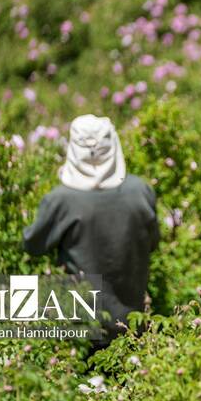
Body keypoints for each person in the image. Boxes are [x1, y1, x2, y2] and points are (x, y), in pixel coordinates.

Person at [22, 114, 160, 350]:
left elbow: (32, 246)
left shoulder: (60, 200)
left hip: (79, 331)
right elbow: (153, 243)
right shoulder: (140, 191)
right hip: (132, 325)